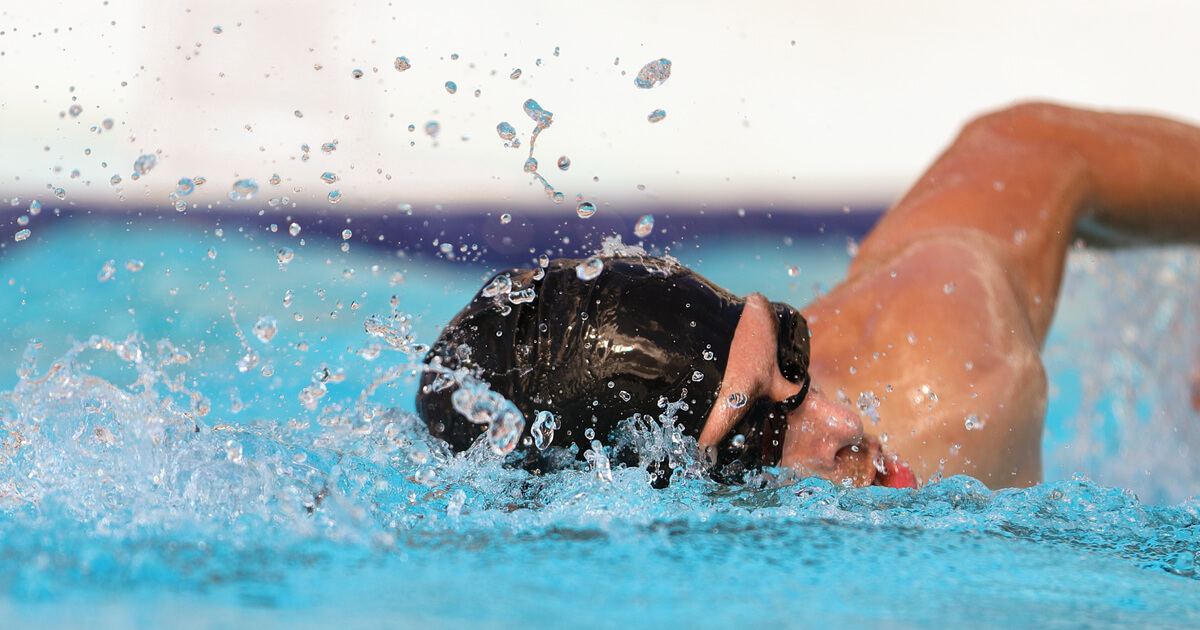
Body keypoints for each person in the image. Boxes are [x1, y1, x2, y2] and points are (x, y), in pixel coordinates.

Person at [417, 102, 1200, 490]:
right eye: (759, 438)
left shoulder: (955, 373)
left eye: (793, 350)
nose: (845, 423)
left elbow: (1029, 146)